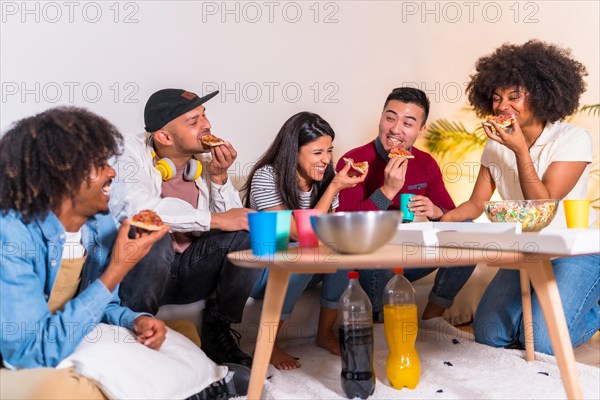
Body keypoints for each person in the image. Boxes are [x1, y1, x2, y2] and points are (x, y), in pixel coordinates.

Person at [0, 107, 249, 399]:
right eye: (98, 164)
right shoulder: (12, 236)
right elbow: (28, 354)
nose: (112, 172)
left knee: (177, 335)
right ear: (61, 176)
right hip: (24, 354)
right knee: (57, 389)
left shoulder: (97, 225)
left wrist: (135, 321)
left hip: (75, 334)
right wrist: (117, 267)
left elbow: (103, 308)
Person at [441, 40, 600, 355]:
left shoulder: (573, 139)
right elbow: (476, 204)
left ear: (542, 96)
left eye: (515, 96)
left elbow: (542, 204)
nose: (503, 106)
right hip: (526, 252)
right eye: (497, 98)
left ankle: (592, 310)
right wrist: (441, 218)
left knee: (541, 343)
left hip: (574, 253)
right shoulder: (495, 145)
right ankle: (549, 313)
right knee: (489, 335)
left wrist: (520, 151)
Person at [109, 88, 260, 367]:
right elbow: (138, 208)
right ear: (164, 137)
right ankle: (137, 332)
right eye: (193, 121)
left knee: (244, 232)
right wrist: (217, 220)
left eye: (204, 116)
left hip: (192, 271)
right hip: (146, 274)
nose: (207, 126)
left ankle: (217, 331)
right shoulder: (127, 150)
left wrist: (219, 178)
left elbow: (230, 220)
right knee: (153, 232)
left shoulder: (201, 164)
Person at [336, 87, 475, 334]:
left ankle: (432, 319)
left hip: (410, 253)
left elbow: (451, 213)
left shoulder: (426, 163)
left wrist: (436, 211)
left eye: (408, 123)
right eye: (390, 118)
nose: (396, 129)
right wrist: (386, 192)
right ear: (381, 118)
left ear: (421, 130)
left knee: (467, 231)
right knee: (376, 249)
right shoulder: (354, 161)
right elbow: (346, 226)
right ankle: (379, 325)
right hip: (368, 257)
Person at [243, 111, 367, 370]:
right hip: (262, 269)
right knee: (301, 252)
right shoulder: (267, 176)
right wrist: (334, 188)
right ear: (294, 150)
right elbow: (297, 234)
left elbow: (329, 233)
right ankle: (268, 343)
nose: (326, 160)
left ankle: (324, 334)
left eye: (329, 151)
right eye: (317, 152)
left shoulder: (325, 180)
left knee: (342, 250)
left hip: (305, 262)